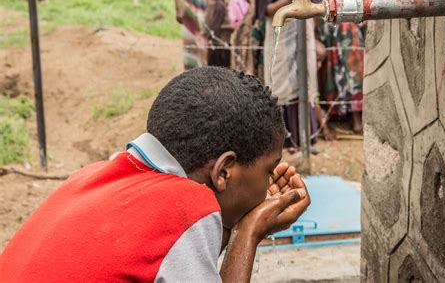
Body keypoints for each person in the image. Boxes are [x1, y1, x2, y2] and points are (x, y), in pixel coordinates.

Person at [0, 67, 310, 282]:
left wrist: (229, 226)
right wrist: (248, 232)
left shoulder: (93, 176)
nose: (270, 182)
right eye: (269, 169)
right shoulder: (185, 205)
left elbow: (166, 261)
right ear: (224, 171)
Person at [255, 0, 333, 153]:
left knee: (305, 76)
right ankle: (286, 140)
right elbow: (265, 10)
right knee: (281, 81)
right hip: (280, 29)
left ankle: (307, 138)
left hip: (303, 26)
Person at [316, 0, 365, 133]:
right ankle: (354, 119)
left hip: (339, 33)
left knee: (344, 74)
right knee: (351, 74)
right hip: (348, 32)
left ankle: (354, 120)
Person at [173, 0, 214, 69]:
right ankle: (191, 76)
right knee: (191, 43)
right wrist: (178, 9)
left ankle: (205, 73)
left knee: (207, 43)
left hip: (209, 8)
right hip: (191, 8)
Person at [204, 0, 234, 67]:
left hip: (219, 46)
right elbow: (215, 27)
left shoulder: (217, 4)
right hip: (219, 48)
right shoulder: (220, 6)